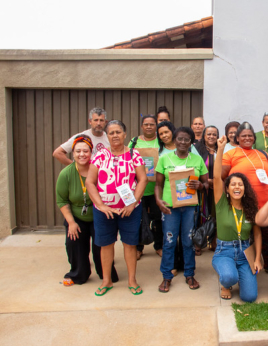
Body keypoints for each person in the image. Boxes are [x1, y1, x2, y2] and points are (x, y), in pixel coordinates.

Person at [86, 120, 148, 296]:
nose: (115, 135)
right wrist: (101, 205)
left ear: (125, 134)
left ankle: (132, 280)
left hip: (129, 209)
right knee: (106, 245)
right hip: (104, 211)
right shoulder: (99, 156)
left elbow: (142, 179)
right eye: (111, 132)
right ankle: (107, 281)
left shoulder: (134, 155)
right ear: (107, 135)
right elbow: (90, 182)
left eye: (118, 132)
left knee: (130, 244)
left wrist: (132, 203)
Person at [55, 135, 118, 286]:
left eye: (85, 151)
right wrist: (71, 222)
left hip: (99, 214)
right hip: (77, 217)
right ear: (73, 153)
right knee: (74, 242)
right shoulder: (66, 174)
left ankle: (106, 274)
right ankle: (78, 273)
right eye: (78, 151)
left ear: (92, 153)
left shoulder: (99, 169)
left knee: (101, 246)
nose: (81, 154)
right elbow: (62, 200)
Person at [222, 122, 268, 267]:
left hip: (267, 205)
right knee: (246, 238)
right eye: (243, 136)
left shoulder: (263, 154)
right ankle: (246, 266)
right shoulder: (230, 154)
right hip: (244, 205)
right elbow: (222, 177)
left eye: (250, 136)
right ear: (237, 138)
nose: (247, 138)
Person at [155, 127, 208, 292]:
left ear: (192, 142)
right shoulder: (164, 159)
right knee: (169, 241)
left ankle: (190, 274)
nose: (183, 142)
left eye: (187, 140)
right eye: (180, 139)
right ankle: (166, 276)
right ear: (174, 140)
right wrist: (158, 200)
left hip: (190, 207)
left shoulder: (197, 160)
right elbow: (158, 184)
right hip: (170, 208)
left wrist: (200, 185)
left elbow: (206, 183)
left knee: (188, 241)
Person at [212, 135, 262, 301]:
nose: (237, 187)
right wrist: (220, 149)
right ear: (227, 189)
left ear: (245, 189)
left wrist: (257, 259)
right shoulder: (221, 203)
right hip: (224, 251)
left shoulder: (250, 209)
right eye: (233, 184)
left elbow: (257, 234)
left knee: (250, 297)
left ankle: (239, 274)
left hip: (245, 252)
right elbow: (217, 176)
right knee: (229, 277)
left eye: (240, 184)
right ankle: (227, 282)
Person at [129, 114, 163, 260]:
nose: (149, 126)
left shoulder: (161, 141)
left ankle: (159, 246)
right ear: (142, 126)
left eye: (152, 124)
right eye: (146, 124)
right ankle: (138, 247)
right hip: (138, 189)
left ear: (156, 126)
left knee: (158, 219)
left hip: (156, 189)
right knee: (138, 219)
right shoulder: (134, 142)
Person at [194, 125, 220, 254]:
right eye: (209, 134)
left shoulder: (221, 149)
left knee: (216, 215)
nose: (211, 136)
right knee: (202, 214)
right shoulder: (197, 149)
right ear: (204, 136)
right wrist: (206, 181)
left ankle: (213, 241)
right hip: (202, 188)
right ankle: (198, 242)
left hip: (217, 188)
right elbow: (193, 167)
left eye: (214, 134)